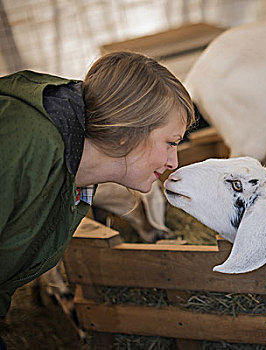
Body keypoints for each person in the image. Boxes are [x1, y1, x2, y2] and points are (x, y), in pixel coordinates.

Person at [0, 51, 195, 318]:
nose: (174, 161)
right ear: (128, 132)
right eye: (171, 143)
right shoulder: (24, 146)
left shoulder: (76, 181)